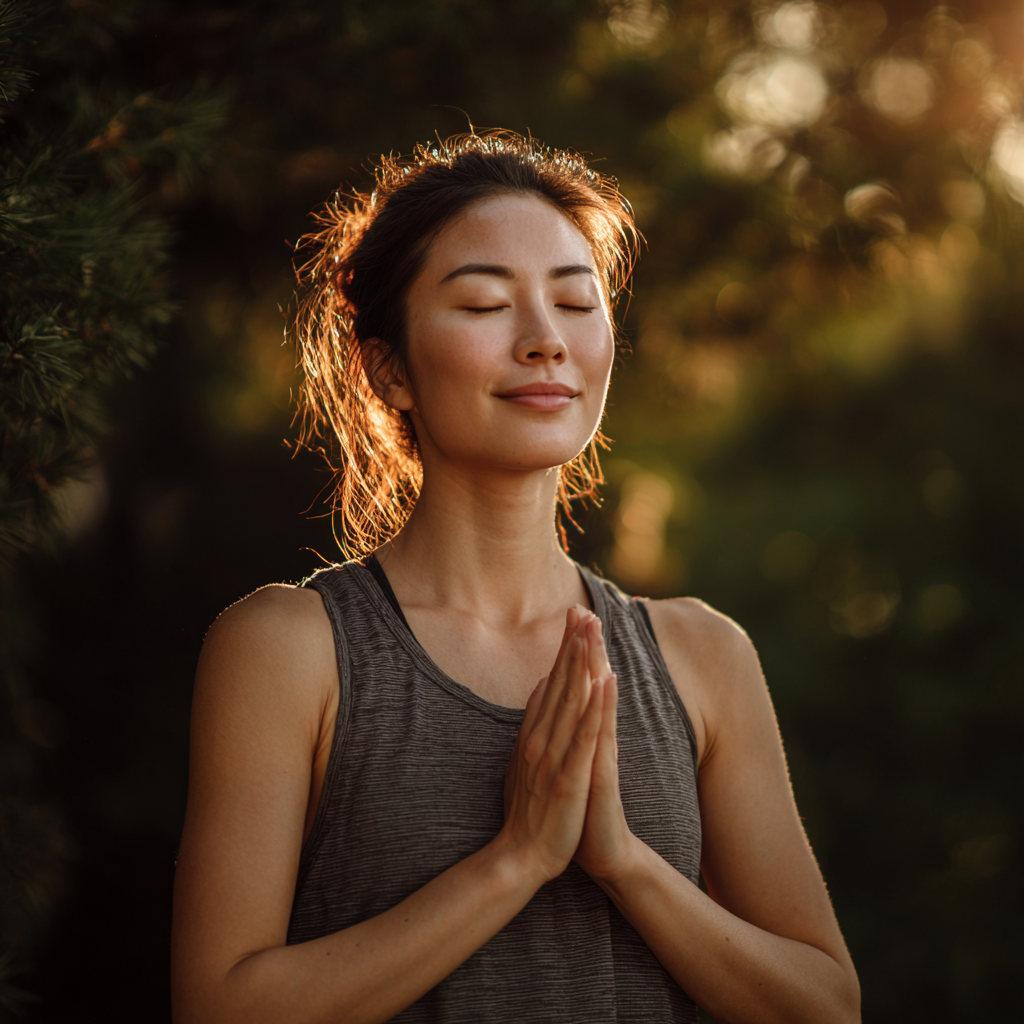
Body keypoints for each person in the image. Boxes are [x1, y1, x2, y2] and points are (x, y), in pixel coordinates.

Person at [171, 132, 860, 1024]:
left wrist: (624, 862)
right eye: (487, 304)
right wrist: (517, 860)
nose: (544, 342)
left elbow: (826, 1005)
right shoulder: (288, 650)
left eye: (576, 302)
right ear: (388, 371)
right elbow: (220, 1008)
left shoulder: (701, 653)